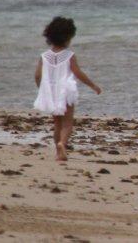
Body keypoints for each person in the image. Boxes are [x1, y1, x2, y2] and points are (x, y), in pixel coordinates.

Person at [33, 17, 101, 161]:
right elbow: (78, 73)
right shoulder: (69, 55)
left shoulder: (44, 56)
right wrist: (93, 85)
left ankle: (58, 152)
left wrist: (42, 90)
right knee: (67, 122)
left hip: (51, 92)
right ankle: (62, 144)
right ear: (68, 37)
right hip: (66, 91)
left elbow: (38, 75)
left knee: (57, 123)